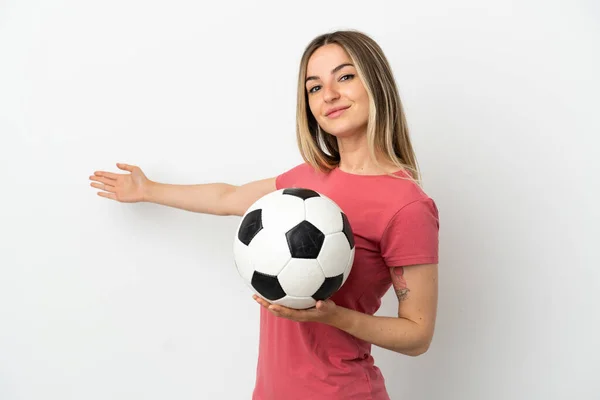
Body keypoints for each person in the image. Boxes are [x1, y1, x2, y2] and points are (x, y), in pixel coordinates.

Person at [89, 30, 439, 400]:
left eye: (345, 77)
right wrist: (148, 190)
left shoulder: (407, 205)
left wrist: (335, 316)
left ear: (376, 83)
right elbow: (229, 197)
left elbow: (417, 335)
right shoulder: (306, 180)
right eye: (314, 88)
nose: (330, 95)